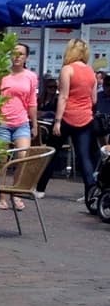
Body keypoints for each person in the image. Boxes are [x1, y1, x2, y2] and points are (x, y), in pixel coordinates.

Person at [0, 43, 39, 211]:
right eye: (14, 53)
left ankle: (16, 193)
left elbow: (32, 101)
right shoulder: (1, 75)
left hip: (22, 122)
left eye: (21, 54)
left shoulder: (31, 76)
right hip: (3, 122)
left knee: (23, 157)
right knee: (1, 161)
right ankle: (2, 196)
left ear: (26, 57)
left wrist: (34, 123)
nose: (17, 57)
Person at [53, 38, 100, 197]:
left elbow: (63, 97)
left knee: (52, 152)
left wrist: (57, 121)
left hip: (67, 116)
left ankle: (39, 188)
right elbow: (94, 99)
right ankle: (91, 191)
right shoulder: (91, 72)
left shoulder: (67, 69)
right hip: (86, 118)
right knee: (84, 156)